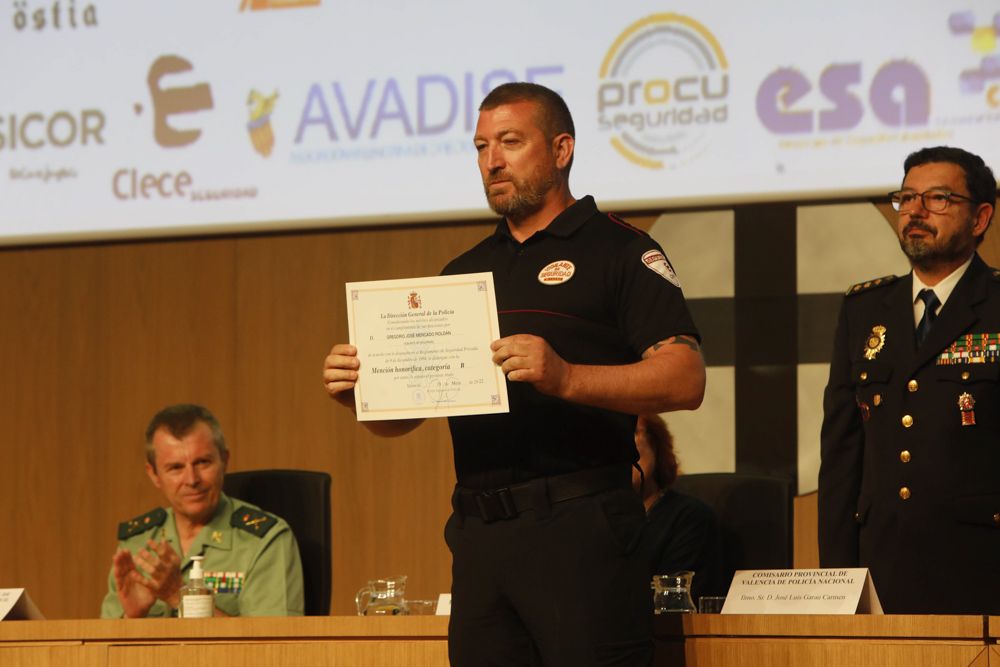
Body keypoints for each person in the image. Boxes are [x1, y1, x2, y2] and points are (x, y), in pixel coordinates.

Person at [323, 82, 705, 666]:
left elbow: (685, 378)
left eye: (509, 142)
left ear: (561, 149)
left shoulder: (620, 252)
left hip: (582, 533)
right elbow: (410, 414)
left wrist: (567, 376)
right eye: (480, 147)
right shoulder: (465, 273)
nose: (491, 161)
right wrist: (364, 395)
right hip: (481, 538)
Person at [819, 146, 999, 614]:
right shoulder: (864, 311)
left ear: (980, 218)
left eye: (938, 198)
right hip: (881, 572)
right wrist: (837, 586)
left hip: (981, 572)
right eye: (907, 197)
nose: (915, 211)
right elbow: (841, 457)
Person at [100, 404, 304, 618]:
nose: (192, 480)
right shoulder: (137, 544)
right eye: (176, 468)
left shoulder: (265, 541)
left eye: (203, 462)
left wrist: (177, 595)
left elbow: (272, 646)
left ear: (224, 461)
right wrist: (132, 617)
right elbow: (103, 647)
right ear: (154, 474)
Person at [633, 414, 722, 602]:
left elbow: (674, 603)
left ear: (656, 446)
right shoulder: (589, 521)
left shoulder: (690, 519)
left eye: (633, 432)